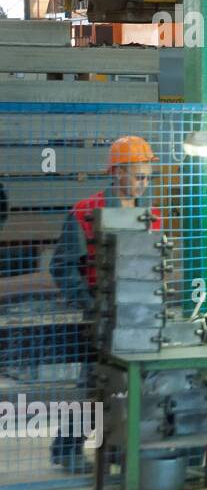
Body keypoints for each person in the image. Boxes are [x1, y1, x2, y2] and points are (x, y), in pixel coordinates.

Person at [49, 135, 160, 472]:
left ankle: (115, 449)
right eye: (137, 175)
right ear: (117, 172)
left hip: (139, 311)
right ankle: (66, 449)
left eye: (147, 176)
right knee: (93, 384)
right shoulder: (85, 212)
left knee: (127, 386)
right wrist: (89, 304)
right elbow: (62, 266)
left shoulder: (149, 217)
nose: (143, 182)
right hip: (101, 309)